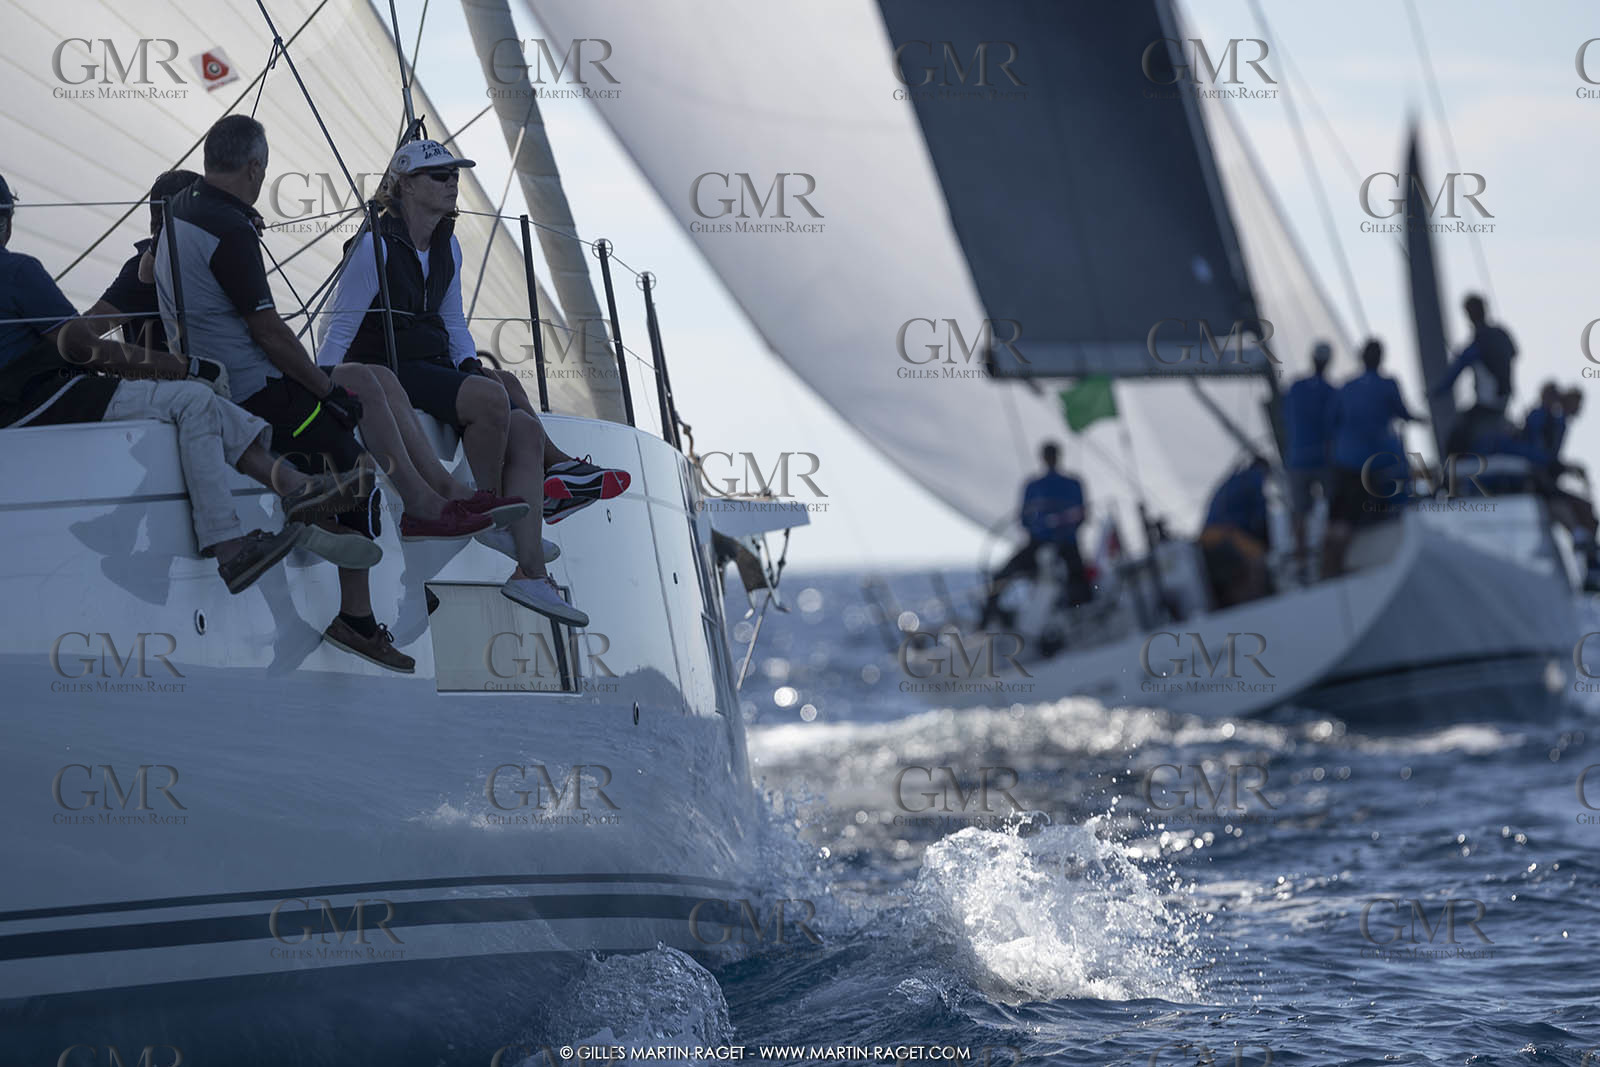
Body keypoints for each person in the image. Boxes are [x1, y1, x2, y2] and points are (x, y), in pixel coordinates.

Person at [152, 116, 507, 670]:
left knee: (368, 390)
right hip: (251, 387)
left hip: (217, 379)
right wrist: (324, 388)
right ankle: (362, 594)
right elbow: (269, 332)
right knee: (355, 452)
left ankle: (384, 512)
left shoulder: (180, 217)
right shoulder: (230, 228)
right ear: (254, 168)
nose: (450, 185)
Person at [317, 138, 630, 627]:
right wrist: (322, 383)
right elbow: (341, 324)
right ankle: (494, 504)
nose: (452, 183)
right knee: (491, 394)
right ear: (405, 186)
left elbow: (454, 320)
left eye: (455, 175)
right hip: (385, 365)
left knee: (513, 410)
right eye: (440, 176)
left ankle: (530, 573)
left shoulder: (448, 244)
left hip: (429, 362)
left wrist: (466, 367)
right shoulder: (374, 244)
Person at [0, 171, 362, 594]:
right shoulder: (19, 271)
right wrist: (185, 367)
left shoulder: (140, 268)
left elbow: (85, 334)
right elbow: (80, 345)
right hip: (39, 397)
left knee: (198, 403)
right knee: (194, 400)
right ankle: (233, 542)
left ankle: (293, 490)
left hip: (25, 402)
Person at [1323, 339, 1420, 578]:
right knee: (1352, 517)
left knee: (1337, 517)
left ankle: (1326, 568)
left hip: (1342, 461)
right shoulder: (1388, 385)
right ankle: (1337, 569)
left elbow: (1330, 420)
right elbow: (1403, 413)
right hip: (1369, 465)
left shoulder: (1347, 386)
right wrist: (1421, 419)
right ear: (1381, 359)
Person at [978, 442, 1090, 628]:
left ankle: (1080, 617)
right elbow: (1025, 518)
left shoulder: (1053, 484)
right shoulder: (1045, 484)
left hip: (1063, 545)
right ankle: (991, 621)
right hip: (1043, 545)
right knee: (1002, 575)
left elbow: (1079, 516)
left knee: (1076, 578)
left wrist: (1051, 527)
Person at [1281, 341, 1337, 581]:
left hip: (1297, 460)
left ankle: (1302, 560)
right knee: (1334, 508)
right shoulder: (1331, 392)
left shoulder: (1295, 388)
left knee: (1300, 513)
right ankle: (1329, 557)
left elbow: (1285, 416)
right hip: (1323, 461)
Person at [1435, 293, 1517, 455]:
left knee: (1455, 439)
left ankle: (1452, 473)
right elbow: (1515, 352)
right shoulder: (1501, 334)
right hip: (1505, 400)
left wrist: (1435, 392)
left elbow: (1454, 374)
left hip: (1487, 403)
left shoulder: (1477, 344)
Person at [1199, 455, 1271, 608]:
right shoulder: (1255, 478)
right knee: (1259, 557)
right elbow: (1261, 513)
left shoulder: (1232, 479)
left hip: (1206, 537)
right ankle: (1258, 601)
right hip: (1227, 533)